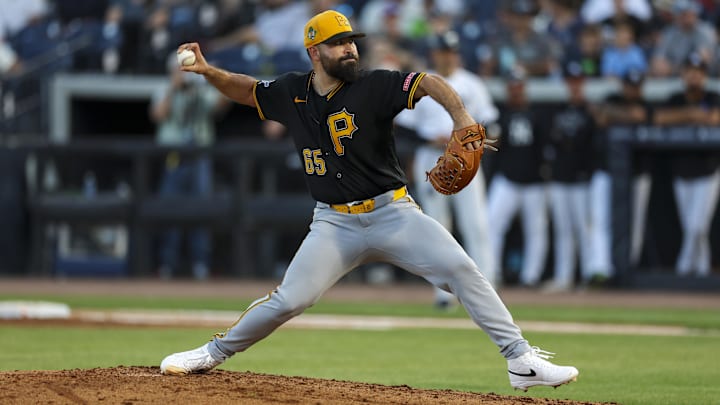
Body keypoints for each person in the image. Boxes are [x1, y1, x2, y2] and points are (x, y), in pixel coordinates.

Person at [159, 10, 579, 391]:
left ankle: (520, 360)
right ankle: (211, 354)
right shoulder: (292, 91)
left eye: (351, 40)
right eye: (338, 43)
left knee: (462, 269)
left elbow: (428, 81)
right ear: (314, 52)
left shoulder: (375, 84)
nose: (349, 48)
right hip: (334, 225)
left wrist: (463, 117)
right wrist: (209, 71)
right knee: (290, 299)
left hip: (392, 214)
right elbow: (249, 90)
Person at [394, 30, 498, 309]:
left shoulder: (472, 84)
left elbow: (491, 123)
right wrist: (430, 139)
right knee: (437, 228)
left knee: (475, 224)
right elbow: (403, 127)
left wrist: (468, 141)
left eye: (452, 51)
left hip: (465, 159)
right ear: (435, 53)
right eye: (443, 51)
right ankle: (444, 293)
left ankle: (486, 288)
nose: (448, 56)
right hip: (431, 158)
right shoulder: (423, 83)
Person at [150, 62, 227, 280]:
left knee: (202, 209)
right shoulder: (164, 88)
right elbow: (158, 114)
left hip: (199, 156)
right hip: (173, 157)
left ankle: (200, 263)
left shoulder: (201, 89)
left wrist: (212, 77)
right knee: (170, 209)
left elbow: (221, 105)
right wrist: (174, 87)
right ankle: (167, 263)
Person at [652, 53, 720, 277]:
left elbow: (714, 118)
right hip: (681, 171)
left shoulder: (712, 96)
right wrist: (691, 113)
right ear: (682, 74)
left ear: (704, 75)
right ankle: (700, 272)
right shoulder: (675, 98)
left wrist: (688, 116)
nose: (693, 76)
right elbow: (660, 118)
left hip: (708, 171)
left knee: (696, 227)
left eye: (698, 72)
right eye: (689, 71)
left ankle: (683, 270)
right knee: (692, 228)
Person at [486, 68, 550, 288]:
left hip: (534, 181)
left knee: (536, 230)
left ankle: (531, 277)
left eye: (519, 86)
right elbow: (491, 147)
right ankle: (490, 272)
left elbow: (545, 148)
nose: (516, 91)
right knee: (492, 224)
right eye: (512, 87)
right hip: (507, 179)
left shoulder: (538, 114)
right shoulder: (499, 114)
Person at [544, 62, 595, 292]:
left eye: (578, 81)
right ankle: (563, 277)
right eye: (571, 81)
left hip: (582, 179)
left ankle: (587, 276)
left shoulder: (590, 111)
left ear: (583, 83)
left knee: (584, 229)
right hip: (560, 177)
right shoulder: (557, 110)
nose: (574, 85)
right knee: (563, 230)